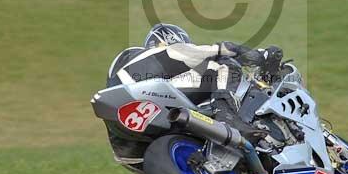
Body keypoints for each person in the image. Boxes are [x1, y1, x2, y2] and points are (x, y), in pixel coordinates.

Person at [107, 23, 282, 132]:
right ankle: (227, 116)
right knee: (221, 62)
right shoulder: (154, 55)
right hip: (139, 93)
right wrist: (256, 55)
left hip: (125, 129)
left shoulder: (127, 62)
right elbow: (203, 52)